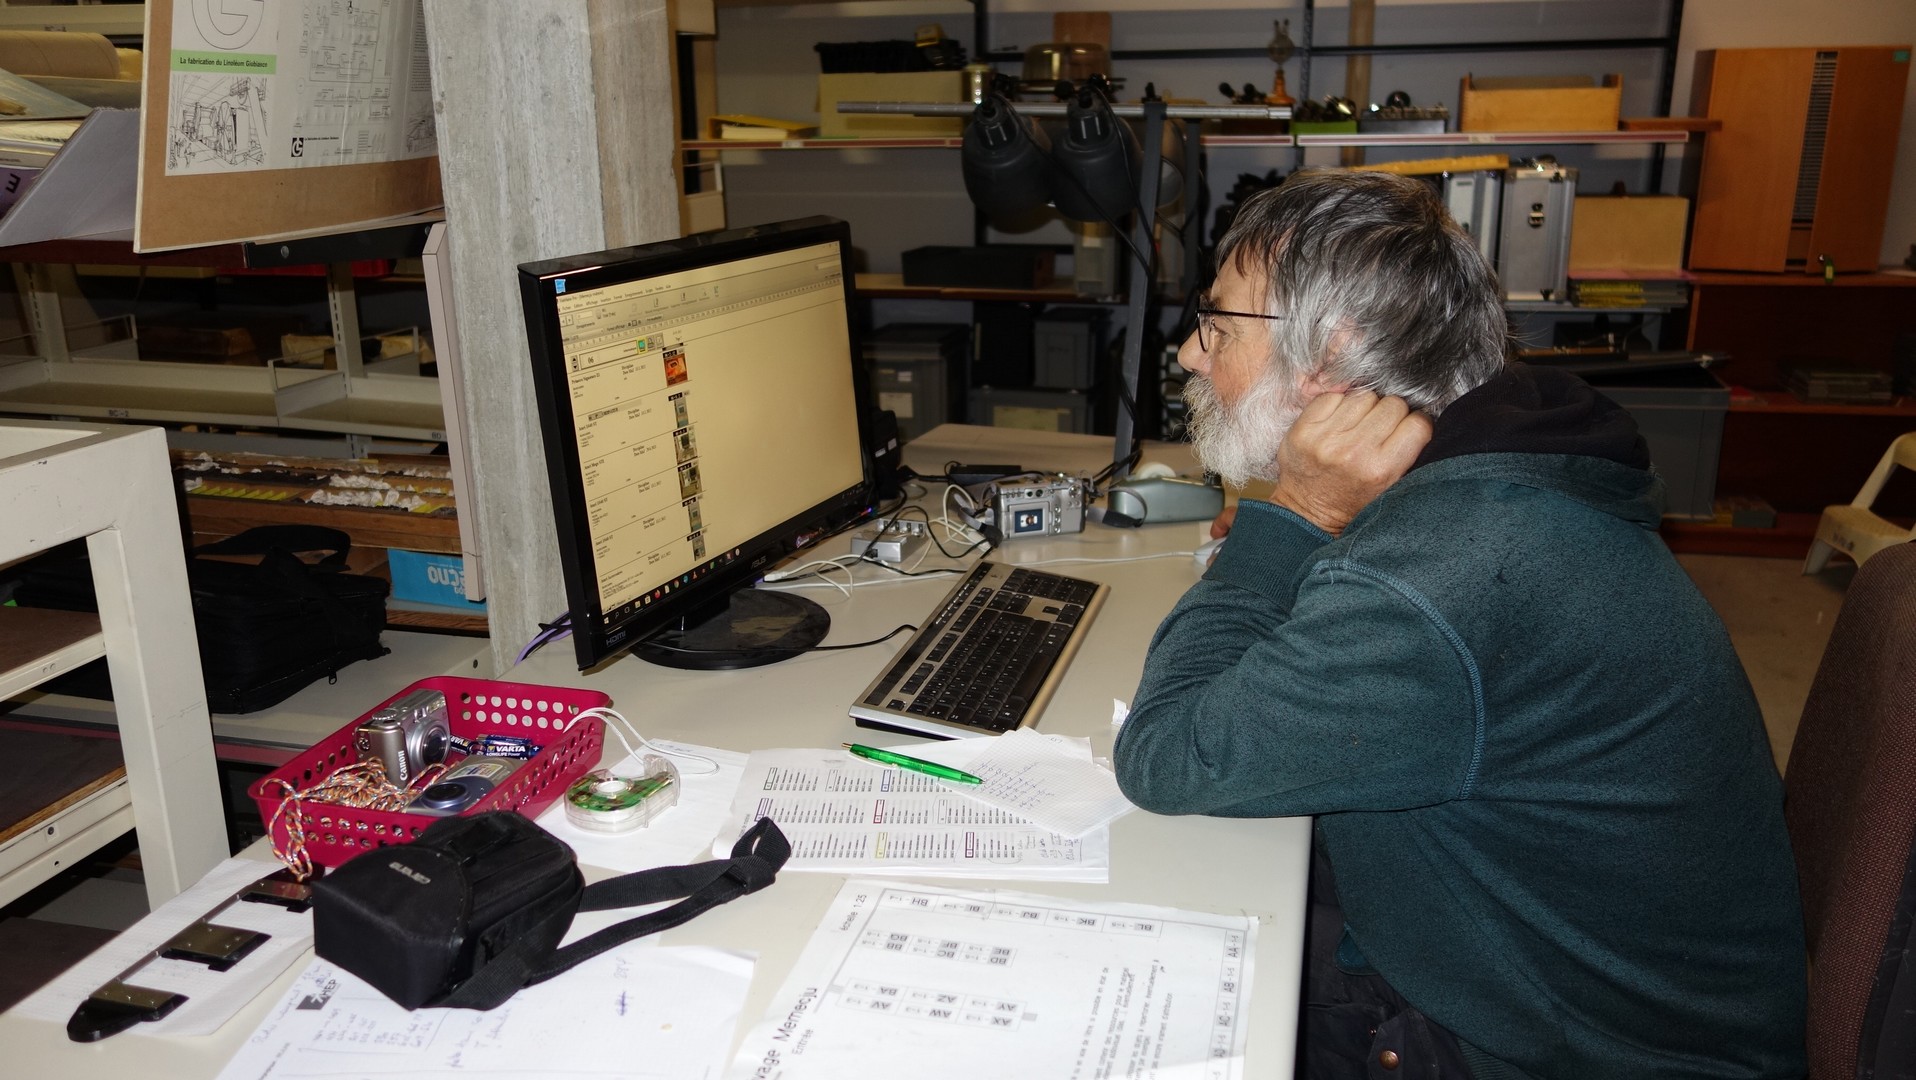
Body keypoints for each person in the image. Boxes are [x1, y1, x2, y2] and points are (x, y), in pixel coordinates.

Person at [1111, 169, 1806, 1080]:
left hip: (1555, 1052)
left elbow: (1165, 756)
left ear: (1331, 352)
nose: (1191, 355)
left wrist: (1293, 520)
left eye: (1219, 322)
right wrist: (1320, 534)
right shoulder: (1496, 484)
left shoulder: (1437, 578)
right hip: (1549, 978)